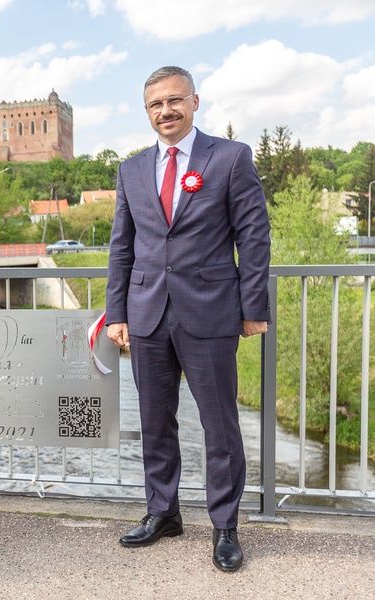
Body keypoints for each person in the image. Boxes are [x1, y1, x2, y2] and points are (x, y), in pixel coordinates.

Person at [105, 66, 270, 572]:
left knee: (219, 427)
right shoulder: (132, 169)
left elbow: (254, 237)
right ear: (147, 110)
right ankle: (163, 512)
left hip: (212, 313)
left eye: (175, 101)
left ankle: (225, 527)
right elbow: (122, 246)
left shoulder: (230, 157)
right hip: (147, 314)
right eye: (156, 104)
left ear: (194, 102)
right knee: (155, 423)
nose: (166, 111)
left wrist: (253, 308)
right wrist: (117, 313)